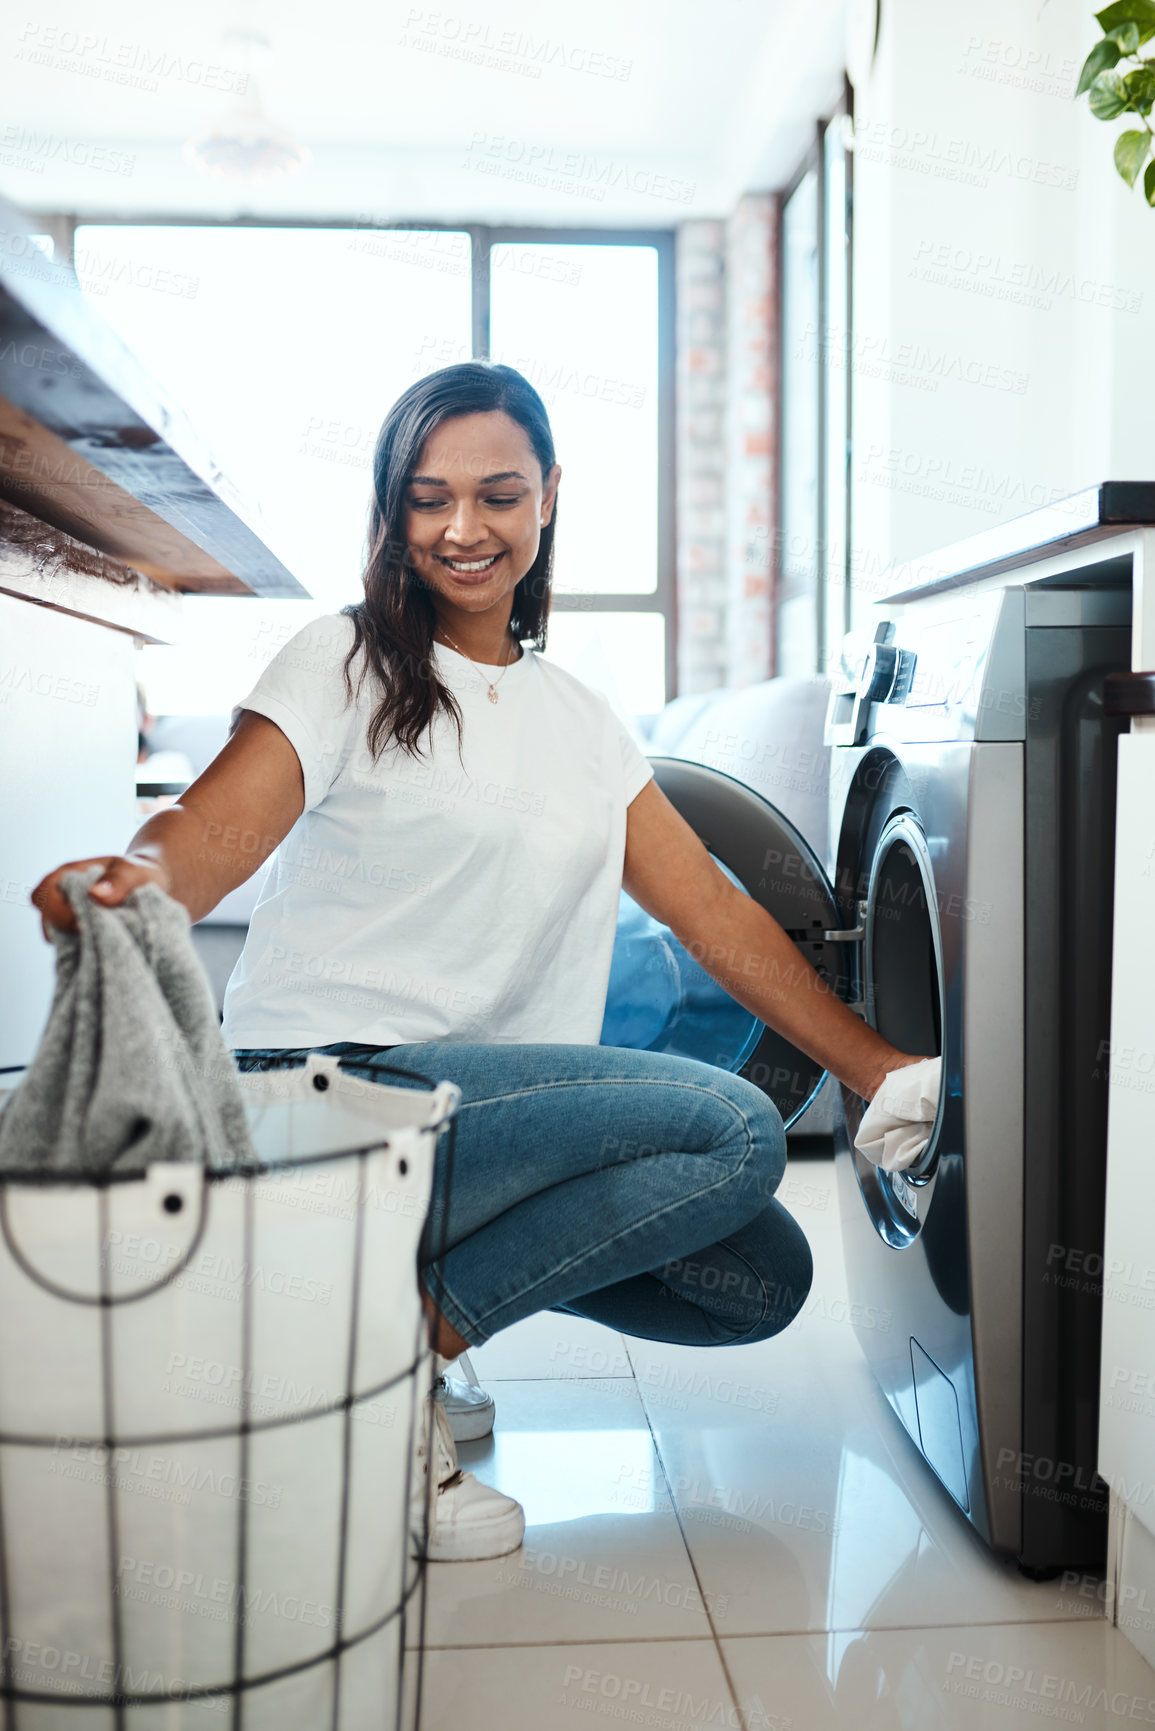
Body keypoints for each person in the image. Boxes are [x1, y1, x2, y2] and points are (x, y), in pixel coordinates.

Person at [33, 361, 925, 1563]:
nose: (464, 529)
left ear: (548, 497)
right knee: (732, 1132)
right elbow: (207, 835)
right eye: (428, 497)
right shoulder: (342, 661)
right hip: (322, 1090)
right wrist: (132, 884)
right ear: (391, 511)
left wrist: (882, 1075)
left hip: (471, 1114)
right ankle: (378, 1376)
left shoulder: (578, 720)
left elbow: (719, 918)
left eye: (498, 494)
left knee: (761, 1279)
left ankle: (371, 1327)